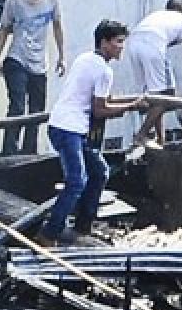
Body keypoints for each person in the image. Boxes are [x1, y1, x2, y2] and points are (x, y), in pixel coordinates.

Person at [36, 20, 145, 247]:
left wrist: (129, 102)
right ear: (104, 42)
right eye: (118, 42)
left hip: (63, 125)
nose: (121, 47)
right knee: (76, 181)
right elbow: (100, 109)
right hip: (69, 129)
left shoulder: (84, 59)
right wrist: (131, 107)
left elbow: (99, 100)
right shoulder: (104, 71)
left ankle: (83, 226)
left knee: (100, 171)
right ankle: (49, 234)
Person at [0, 0, 65, 155]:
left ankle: (29, 152)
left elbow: (57, 26)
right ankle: (9, 150)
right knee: (17, 105)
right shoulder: (14, 0)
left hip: (39, 61)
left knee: (37, 110)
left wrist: (62, 56)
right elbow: (4, 28)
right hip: (17, 58)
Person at [127, 0, 182, 146]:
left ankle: (160, 139)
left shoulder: (158, 16)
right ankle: (141, 135)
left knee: (156, 96)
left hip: (133, 45)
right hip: (153, 45)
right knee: (166, 97)